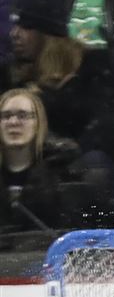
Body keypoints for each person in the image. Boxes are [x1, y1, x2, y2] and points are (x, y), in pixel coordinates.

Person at [4, 0, 114, 159]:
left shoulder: (94, 65)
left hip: (80, 166)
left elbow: (106, 127)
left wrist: (43, 98)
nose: (14, 34)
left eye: (26, 27)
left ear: (48, 33)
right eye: (15, 26)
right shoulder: (9, 74)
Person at [0, 88, 65, 232]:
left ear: (38, 124)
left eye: (23, 115)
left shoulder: (61, 177)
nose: (13, 122)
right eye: (5, 116)